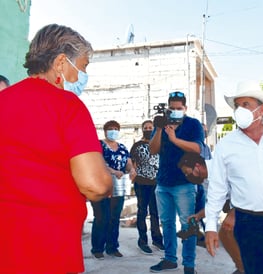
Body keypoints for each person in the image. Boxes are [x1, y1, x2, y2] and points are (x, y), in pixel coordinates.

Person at [0, 24, 112, 273]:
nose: (82, 76)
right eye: (82, 67)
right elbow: (95, 184)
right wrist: (108, 179)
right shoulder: (67, 106)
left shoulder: (3, 101)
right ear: (61, 62)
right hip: (49, 248)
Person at [205, 81, 263, 274]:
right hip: (248, 223)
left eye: (246, 104)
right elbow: (217, 189)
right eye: (237, 106)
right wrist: (211, 226)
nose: (240, 110)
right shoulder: (227, 145)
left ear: (261, 109)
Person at [149, 91, 204, 274]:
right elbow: (153, 150)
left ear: (185, 108)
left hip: (185, 183)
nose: (175, 111)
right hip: (163, 182)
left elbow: (197, 148)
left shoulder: (193, 124)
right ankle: (170, 259)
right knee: (167, 223)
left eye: (179, 108)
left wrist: (174, 139)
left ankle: (189, 265)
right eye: (171, 108)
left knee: (188, 225)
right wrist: (158, 129)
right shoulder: (163, 124)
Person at [178, 152, 245, 274]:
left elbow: (246, 189)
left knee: (229, 232)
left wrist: (233, 214)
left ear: (198, 166)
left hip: (255, 204)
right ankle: (243, 268)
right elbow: (214, 203)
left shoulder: (221, 169)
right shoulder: (205, 179)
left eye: (188, 173)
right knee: (226, 235)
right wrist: (198, 216)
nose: (188, 177)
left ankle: (247, 269)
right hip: (240, 207)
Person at [90, 120, 137, 259]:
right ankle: (97, 248)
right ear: (105, 131)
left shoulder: (122, 147)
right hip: (101, 186)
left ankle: (112, 247)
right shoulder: (99, 145)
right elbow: (97, 162)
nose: (113, 131)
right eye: (110, 128)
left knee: (114, 218)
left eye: (116, 128)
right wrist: (113, 171)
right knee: (101, 217)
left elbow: (127, 162)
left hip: (118, 188)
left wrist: (132, 169)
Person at [130, 119, 165, 255]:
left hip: (156, 183)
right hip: (142, 183)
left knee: (155, 213)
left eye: (151, 127)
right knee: (142, 212)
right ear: (142, 129)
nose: (149, 129)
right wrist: (132, 173)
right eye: (146, 127)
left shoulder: (160, 143)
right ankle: (142, 241)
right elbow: (133, 163)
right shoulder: (137, 145)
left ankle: (157, 239)